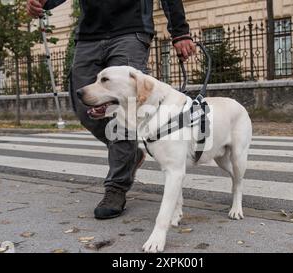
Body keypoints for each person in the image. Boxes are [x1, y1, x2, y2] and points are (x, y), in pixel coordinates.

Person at [27, 0, 195, 219]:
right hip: (89, 33)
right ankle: (129, 155)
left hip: (131, 30)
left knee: (124, 106)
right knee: (85, 105)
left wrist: (180, 32)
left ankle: (116, 187)